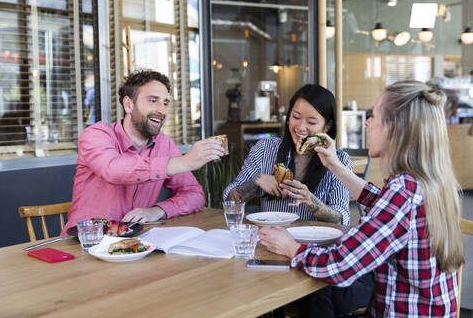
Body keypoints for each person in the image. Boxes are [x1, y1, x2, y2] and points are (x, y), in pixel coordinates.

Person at [260, 80, 465, 317]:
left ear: (395, 127)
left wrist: (289, 246)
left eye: (374, 115)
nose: (367, 122)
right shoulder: (425, 181)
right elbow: (382, 203)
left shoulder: (403, 191)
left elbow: (339, 265)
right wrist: (334, 164)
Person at [62, 70, 224, 234]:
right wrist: (185, 162)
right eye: (153, 101)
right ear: (128, 105)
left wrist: (157, 211)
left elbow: (195, 194)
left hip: (132, 245)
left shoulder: (164, 144)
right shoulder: (96, 134)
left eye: (165, 103)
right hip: (84, 243)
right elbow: (113, 170)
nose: (162, 111)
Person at [224, 84, 351, 225]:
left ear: (327, 126)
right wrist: (255, 181)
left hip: (314, 243)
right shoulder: (265, 149)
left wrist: (310, 200)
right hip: (271, 239)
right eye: (296, 117)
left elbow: (341, 219)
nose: (301, 127)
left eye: (311, 122)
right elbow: (229, 202)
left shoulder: (339, 160)